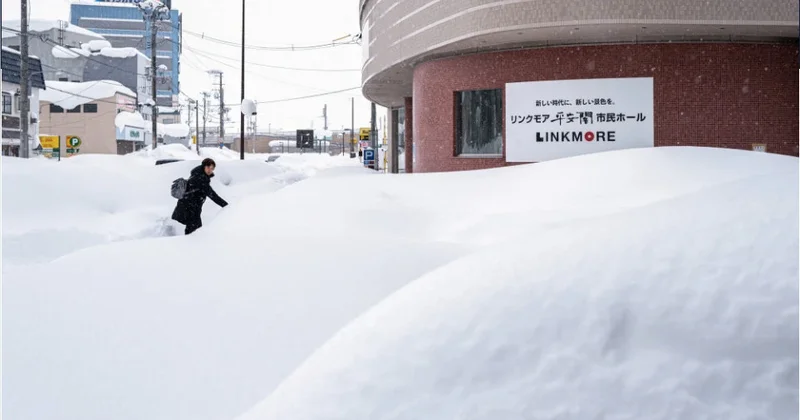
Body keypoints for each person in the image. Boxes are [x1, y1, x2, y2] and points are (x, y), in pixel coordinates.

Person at [172, 158, 228, 235]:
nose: (210, 170)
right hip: (189, 208)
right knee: (195, 232)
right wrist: (226, 206)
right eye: (208, 167)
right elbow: (212, 195)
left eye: (212, 168)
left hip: (191, 207)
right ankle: (188, 245)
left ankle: (187, 244)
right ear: (203, 166)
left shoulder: (199, 175)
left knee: (194, 230)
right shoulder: (200, 178)